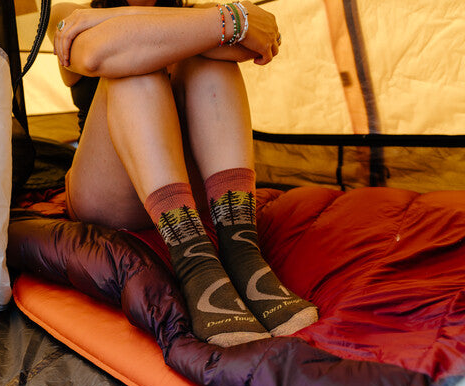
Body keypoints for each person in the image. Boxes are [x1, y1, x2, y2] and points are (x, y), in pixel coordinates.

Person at [49, 0, 317, 347]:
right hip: (108, 191)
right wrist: (231, 19)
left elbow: (243, 50)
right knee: (132, 67)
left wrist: (109, 19)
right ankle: (196, 265)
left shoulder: (199, 10)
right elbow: (95, 53)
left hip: (181, 177)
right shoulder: (66, 14)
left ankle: (242, 254)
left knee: (209, 63)